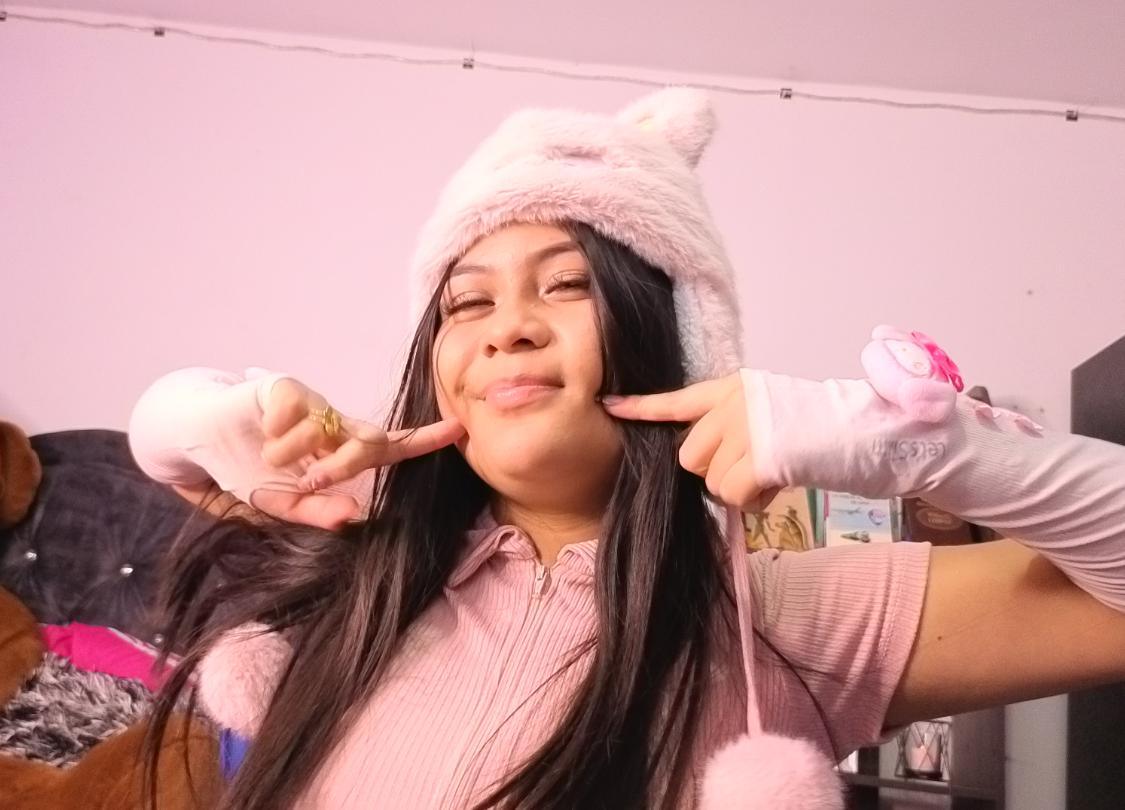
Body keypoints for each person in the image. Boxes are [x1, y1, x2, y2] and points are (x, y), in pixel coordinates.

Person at [129, 88, 1125, 810]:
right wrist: (209, 416)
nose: (506, 327)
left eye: (566, 285)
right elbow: (165, 447)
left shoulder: (789, 620)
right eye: (467, 303)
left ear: (671, 341)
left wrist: (908, 442)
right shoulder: (359, 573)